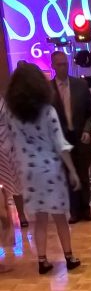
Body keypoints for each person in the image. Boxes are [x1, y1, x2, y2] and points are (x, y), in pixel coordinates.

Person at [6, 63, 81, 274]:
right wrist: (73, 170)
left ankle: (42, 260)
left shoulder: (12, 114)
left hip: (27, 171)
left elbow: (11, 142)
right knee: (60, 217)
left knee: (39, 219)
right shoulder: (48, 111)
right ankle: (69, 257)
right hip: (50, 169)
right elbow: (60, 143)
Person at [50, 50, 91, 223]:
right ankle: (74, 211)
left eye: (65, 64)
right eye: (59, 64)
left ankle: (86, 209)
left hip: (80, 136)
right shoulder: (48, 90)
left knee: (83, 173)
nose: (63, 67)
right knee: (67, 173)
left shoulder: (80, 86)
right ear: (53, 66)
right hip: (60, 138)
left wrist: (87, 130)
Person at [0, 94, 28, 228]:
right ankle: (4, 217)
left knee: (16, 182)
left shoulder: (6, 102)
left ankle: (21, 215)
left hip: (8, 145)